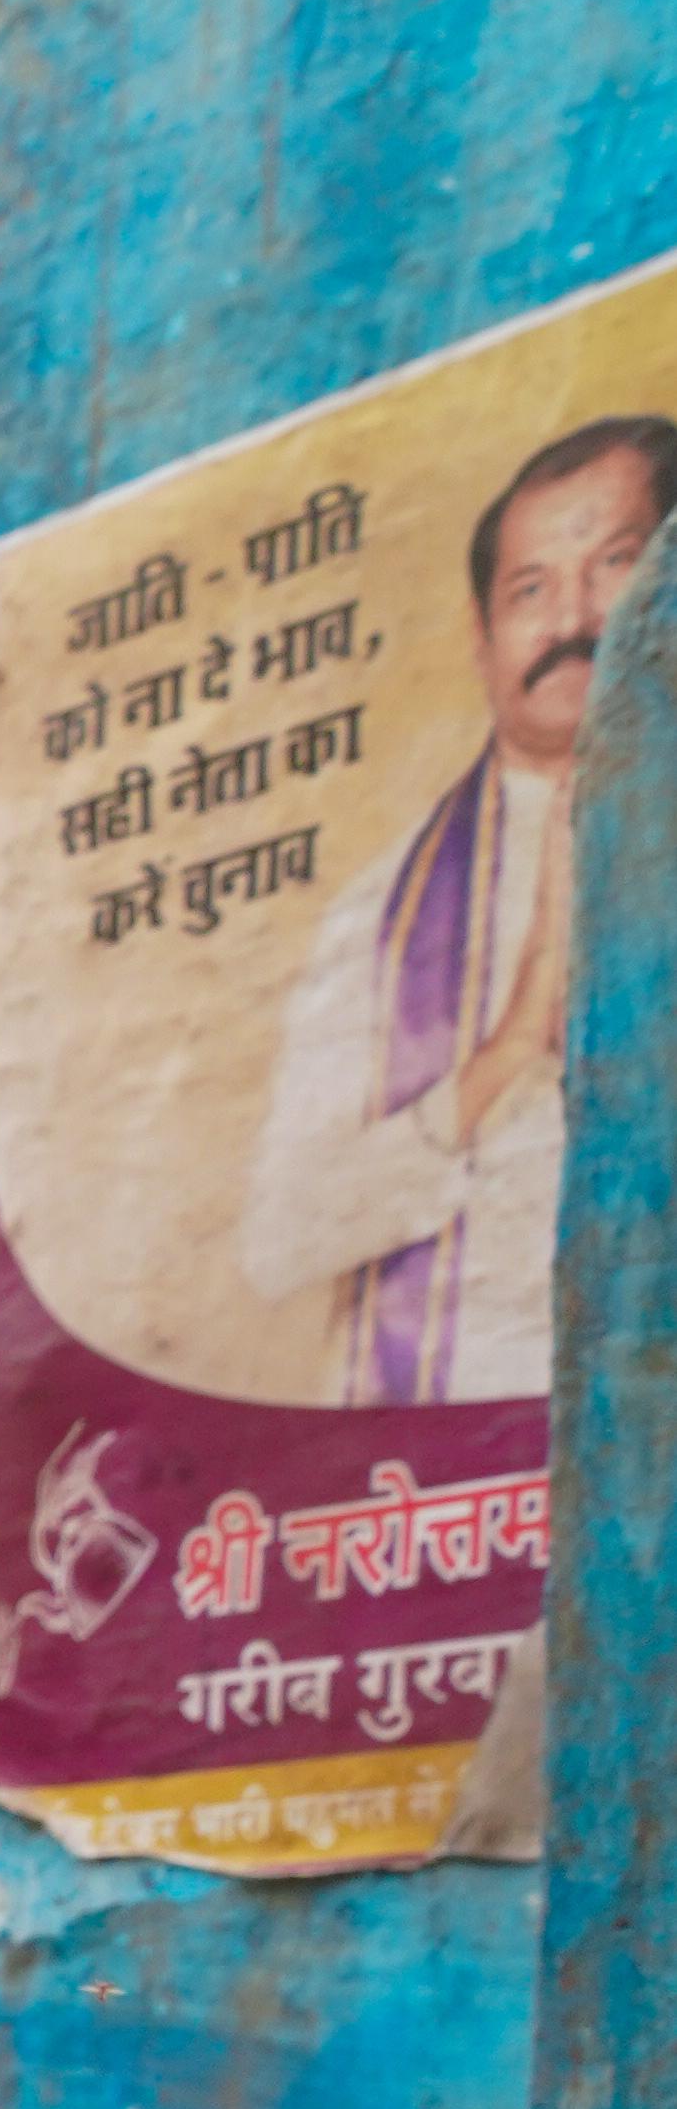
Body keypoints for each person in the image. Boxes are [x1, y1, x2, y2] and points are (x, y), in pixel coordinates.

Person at [240, 411, 666, 1405]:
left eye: (614, 563)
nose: (572, 619)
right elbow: (278, 1238)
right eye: (529, 590)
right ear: (478, 641)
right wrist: (510, 1045)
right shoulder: (376, 916)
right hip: (446, 1483)